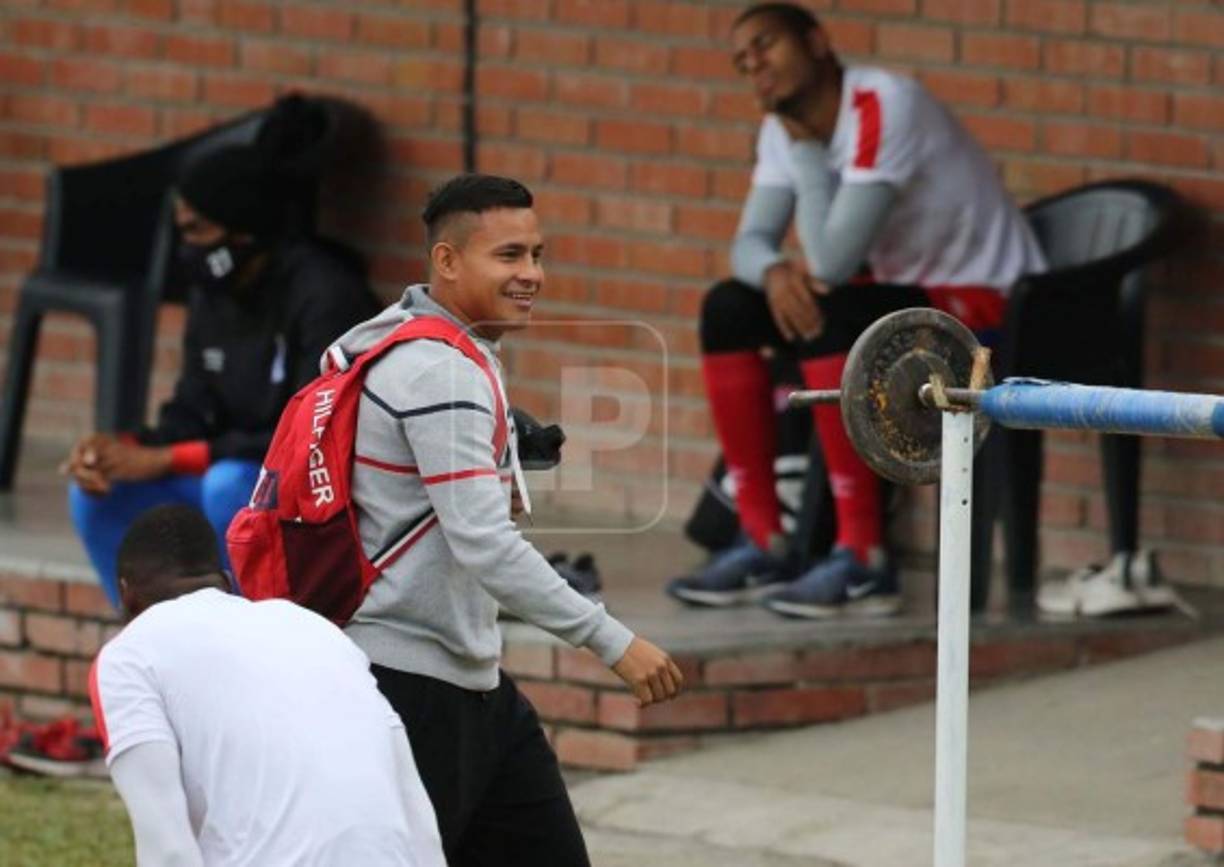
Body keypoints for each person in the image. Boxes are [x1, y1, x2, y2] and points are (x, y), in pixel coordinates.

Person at [332, 173, 683, 865]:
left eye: (537, 254)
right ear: (448, 262)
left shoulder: (396, 338)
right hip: (409, 686)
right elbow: (485, 543)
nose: (532, 274)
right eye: (509, 256)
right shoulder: (440, 371)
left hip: (470, 679)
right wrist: (612, 639)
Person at [666, 2, 1047, 619]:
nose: (754, 65)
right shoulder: (781, 129)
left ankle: (864, 556)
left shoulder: (882, 103)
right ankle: (764, 538)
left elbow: (832, 260)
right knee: (730, 307)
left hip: (980, 296)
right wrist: (770, 270)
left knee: (835, 311)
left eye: (765, 45)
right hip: (892, 293)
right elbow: (749, 243)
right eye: (742, 61)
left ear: (817, 42)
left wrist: (812, 160)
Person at [63, 143, 379, 609]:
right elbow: (191, 409)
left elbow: (311, 439)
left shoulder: (325, 295)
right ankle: (152, 642)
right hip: (231, 477)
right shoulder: (214, 292)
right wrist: (125, 450)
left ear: (243, 228)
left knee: (231, 485)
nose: (186, 248)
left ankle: (247, 644)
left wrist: (170, 459)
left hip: (315, 501)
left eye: (197, 229)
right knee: (96, 494)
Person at [90, 504, 446, 866]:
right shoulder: (314, 628)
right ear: (227, 583)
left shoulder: (128, 657)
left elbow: (167, 851)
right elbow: (420, 820)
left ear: (127, 596)